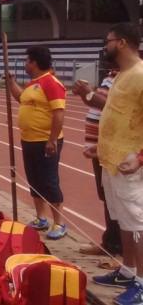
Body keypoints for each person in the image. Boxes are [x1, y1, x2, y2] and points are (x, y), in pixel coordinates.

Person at [90, 23, 143, 305]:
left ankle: (142, 283)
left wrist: (140, 158)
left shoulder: (140, 75)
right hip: (111, 160)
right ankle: (127, 270)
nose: (105, 46)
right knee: (123, 221)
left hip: (129, 162)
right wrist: (98, 147)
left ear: (121, 43)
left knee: (137, 224)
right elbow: (117, 114)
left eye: (107, 41)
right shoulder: (123, 75)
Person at [6, 46, 67, 240]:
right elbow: (20, 98)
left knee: (49, 180)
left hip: (46, 141)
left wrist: (52, 140)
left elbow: (58, 113)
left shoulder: (51, 83)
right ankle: (41, 218)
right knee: (34, 179)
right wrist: (11, 82)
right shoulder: (34, 84)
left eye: (27, 61)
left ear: (34, 62)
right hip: (29, 139)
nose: (25, 64)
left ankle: (59, 222)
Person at [72, 69, 122, 259]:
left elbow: (118, 108)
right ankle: (111, 243)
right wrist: (87, 95)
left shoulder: (129, 76)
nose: (105, 46)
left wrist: (90, 93)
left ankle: (121, 253)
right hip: (101, 147)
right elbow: (97, 106)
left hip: (115, 148)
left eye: (110, 40)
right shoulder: (112, 75)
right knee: (107, 198)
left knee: (120, 201)